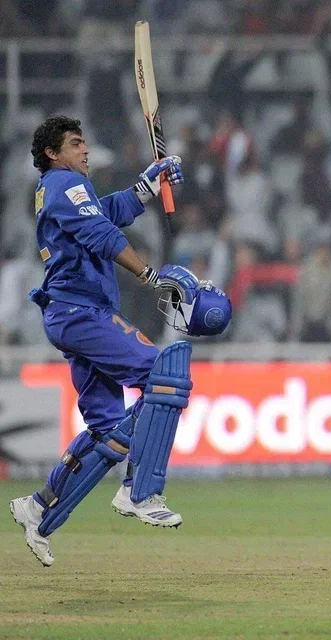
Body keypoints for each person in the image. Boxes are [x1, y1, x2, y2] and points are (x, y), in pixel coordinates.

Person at [9, 115, 232, 567]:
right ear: (53, 153)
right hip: (82, 312)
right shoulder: (61, 184)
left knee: (107, 431)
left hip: (69, 313)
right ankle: (141, 489)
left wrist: (145, 188)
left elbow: (104, 214)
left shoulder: (62, 191)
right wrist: (150, 276)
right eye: (76, 143)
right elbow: (101, 233)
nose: (85, 150)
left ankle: (37, 508)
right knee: (164, 373)